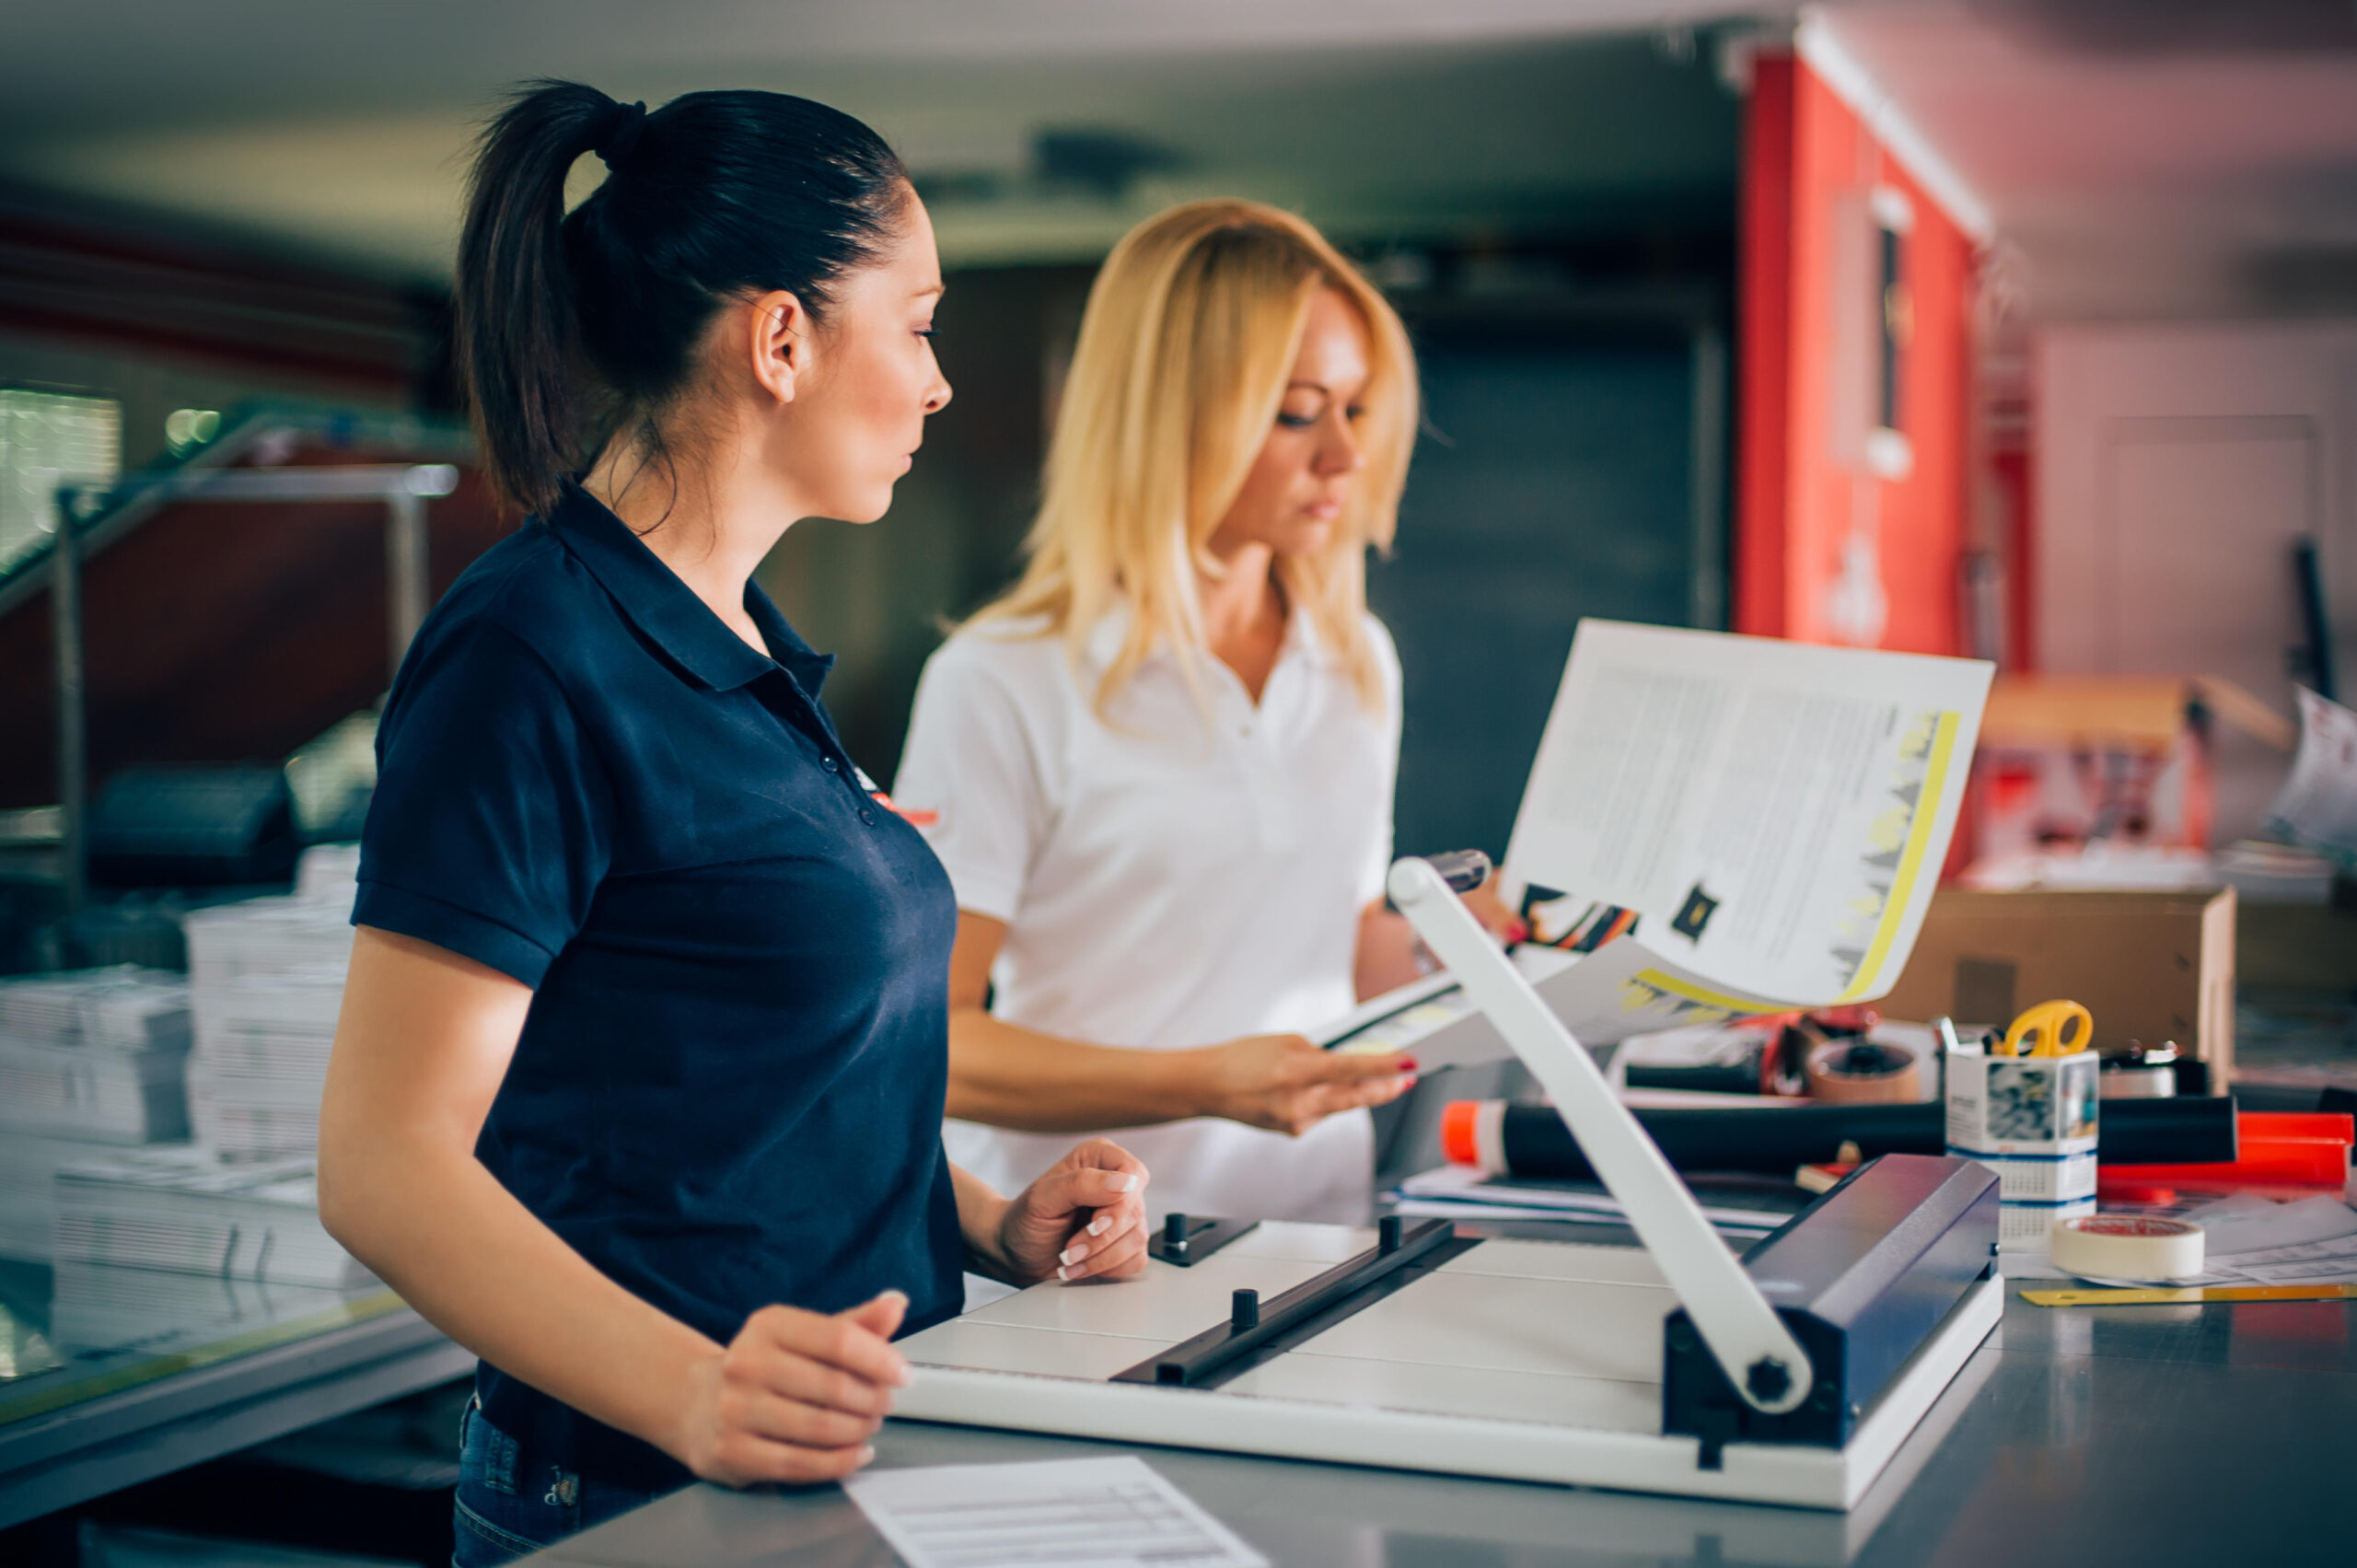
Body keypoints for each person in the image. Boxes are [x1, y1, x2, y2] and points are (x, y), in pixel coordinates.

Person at [316, 83, 1149, 1565]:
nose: (939, 381)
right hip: (640, 1488)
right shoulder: (528, 650)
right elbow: (385, 1164)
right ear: (782, 341)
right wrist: (695, 1391)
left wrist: (984, 1221)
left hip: (841, 1459)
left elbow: (745, 1091)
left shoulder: (739, 638)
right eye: (920, 322)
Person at [891, 201, 1521, 1227]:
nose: (1344, 458)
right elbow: (935, 1041)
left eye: (1355, 409)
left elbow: (1341, 940)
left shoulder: (1356, 660)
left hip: (1317, 1228)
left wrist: (1454, 949)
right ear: (1170, 412)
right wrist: (1208, 1081)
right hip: (1080, 1249)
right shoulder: (1003, 677)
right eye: (1294, 411)